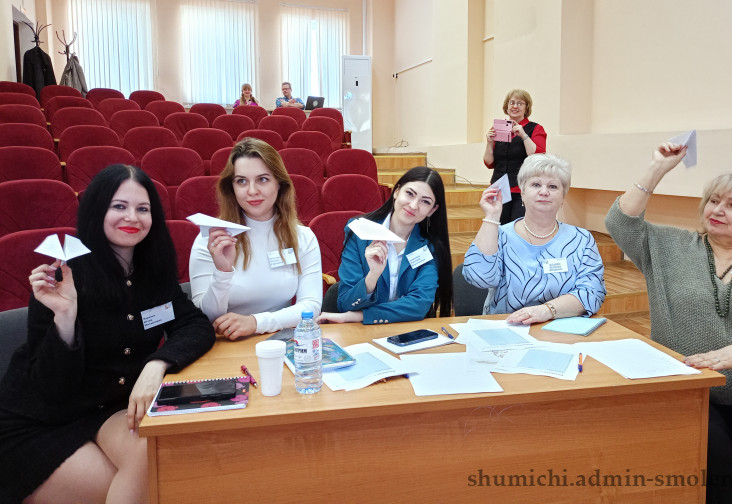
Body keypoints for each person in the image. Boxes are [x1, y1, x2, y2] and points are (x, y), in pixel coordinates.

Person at [0, 165, 215, 504]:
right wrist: (65, 318)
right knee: (159, 487)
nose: (132, 217)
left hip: (110, 409)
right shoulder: (63, 275)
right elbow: (50, 388)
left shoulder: (153, 271)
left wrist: (157, 364)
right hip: (42, 420)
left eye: (142, 208)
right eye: (119, 206)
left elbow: (194, 325)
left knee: (155, 455)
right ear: (97, 210)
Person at [604, 141, 732, 504]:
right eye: (713, 200)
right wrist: (657, 168)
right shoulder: (669, 246)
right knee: (713, 467)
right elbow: (619, 222)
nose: (718, 209)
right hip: (692, 388)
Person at [189, 137, 322, 338]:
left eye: (263, 179)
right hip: (226, 343)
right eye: (241, 181)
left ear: (279, 184)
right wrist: (222, 272)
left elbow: (311, 306)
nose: (252, 191)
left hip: (280, 339)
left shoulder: (303, 237)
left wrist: (255, 323)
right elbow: (205, 317)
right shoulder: (211, 240)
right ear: (232, 188)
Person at [463, 153, 605, 322]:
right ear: (522, 193)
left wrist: (546, 311)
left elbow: (593, 292)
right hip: (508, 327)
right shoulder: (499, 236)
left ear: (563, 197)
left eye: (553, 186)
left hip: (562, 328)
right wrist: (492, 217)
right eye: (536, 184)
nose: (544, 192)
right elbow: (478, 278)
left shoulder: (581, 240)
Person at [318, 167, 453, 324]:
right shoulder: (359, 232)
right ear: (396, 191)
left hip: (407, 331)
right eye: (410, 194)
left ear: (432, 210)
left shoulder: (430, 247)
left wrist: (361, 316)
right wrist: (372, 276)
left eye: (425, 201)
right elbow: (346, 303)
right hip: (360, 331)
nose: (414, 205)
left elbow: (419, 305)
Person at [483, 88, 547, 224]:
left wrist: (523, 135)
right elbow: (489, 163)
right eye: (511, 103)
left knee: (517, 226)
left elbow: (537, 157)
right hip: (499, 187)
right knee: (497, 225)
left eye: (520, 103)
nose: (515, 106)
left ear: (526, 107)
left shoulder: (535, 129)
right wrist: (489, 143)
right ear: (507, 107)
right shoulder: (500, 128)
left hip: (522, 188)